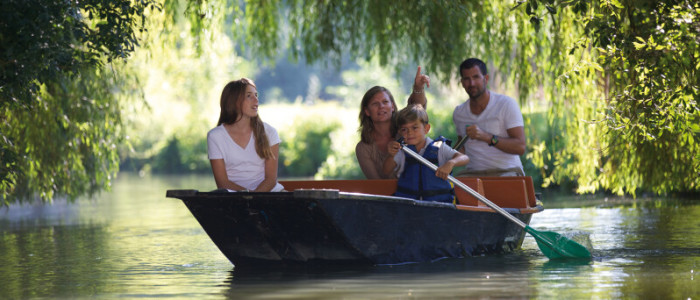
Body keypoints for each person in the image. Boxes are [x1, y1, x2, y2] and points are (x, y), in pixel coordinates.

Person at [207, 78, 284, 192]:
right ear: (234, 101)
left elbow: (270, 180)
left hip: (268, 194)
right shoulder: (215, 136)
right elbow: (222, 183)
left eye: (256, 95)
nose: (256, 100)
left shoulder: (270, 132)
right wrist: (246, 196)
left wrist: (253, 198)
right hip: (233, 196)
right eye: (249, 96)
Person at [453, 58, 526, 177]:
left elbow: (520, 147)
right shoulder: (459, 113)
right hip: (473, 174)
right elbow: (463, 148)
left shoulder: (506, 104)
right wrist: (443, 155)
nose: (471, 83)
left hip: (507, 172)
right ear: (462, 83)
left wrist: (487, 137)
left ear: (485, 79)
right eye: (467, 79)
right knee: (451, 188)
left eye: (476, 77)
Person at [383, 104, 470, 203]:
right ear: (400, 132)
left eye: (414, 128)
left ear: (426, 128)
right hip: (409, 207)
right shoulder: (402, 151)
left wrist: (451, 163)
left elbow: (464, 158)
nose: (409, 132)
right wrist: (391, 155)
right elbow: (386, 171)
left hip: (439, 207)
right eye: (404, 129)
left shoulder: (439, 148)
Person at [356, 66, 430, 179]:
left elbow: (417, 109)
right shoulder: (363, 148)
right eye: (375, 104)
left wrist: (418, 87)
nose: (381, 107)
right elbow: (375, 184)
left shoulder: (405, 128)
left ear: (393, 106)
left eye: (385, 102)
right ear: (367, 111)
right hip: (387, 195)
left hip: (418, 191)